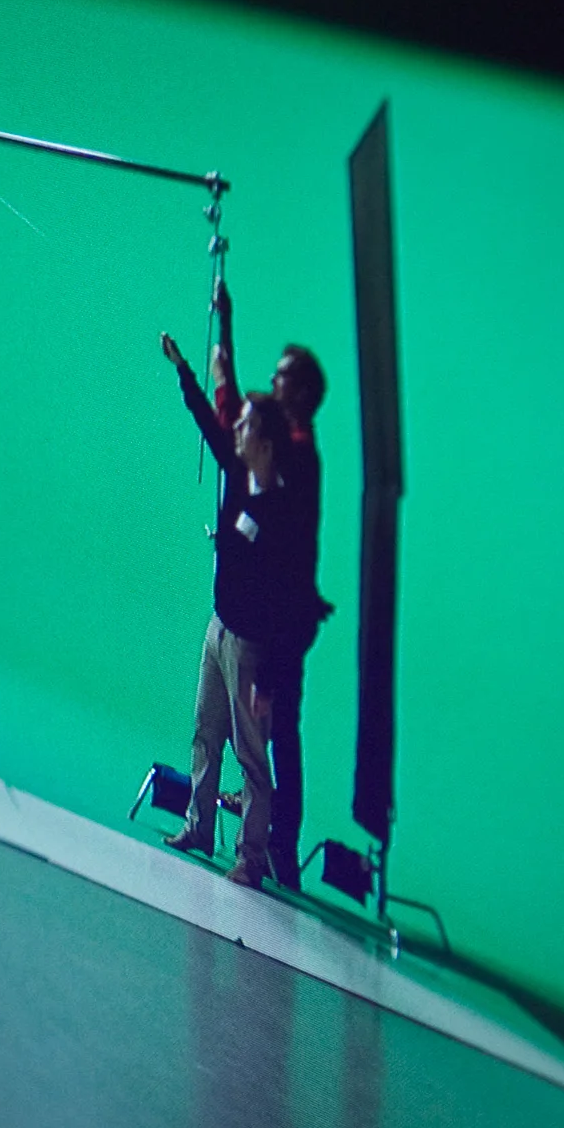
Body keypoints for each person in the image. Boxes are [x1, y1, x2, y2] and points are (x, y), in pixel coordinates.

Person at [161, 329, 310, 888]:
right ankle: (199, 827)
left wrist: (270, 669)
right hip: (218, 628)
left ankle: (252, 855)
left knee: (252, 755)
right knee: (206, 731)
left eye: (247, 425)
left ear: (266, 443)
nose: (238, 430)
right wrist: (188, 373)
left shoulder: (280, 510)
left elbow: (281, 594)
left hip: (250, 646)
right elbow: (210, 420)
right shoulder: (239, 471)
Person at [206, 279, 332, 890]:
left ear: (302, 394)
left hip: (283, 620)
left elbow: (286, 558)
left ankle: (278, 842)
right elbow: (237, 419)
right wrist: (225, 327)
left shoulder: (297, 455)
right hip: (283, 611)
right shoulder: (287, 442)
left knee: (276, 723)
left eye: (283, 379)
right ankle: (273, 829)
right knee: (273, 728)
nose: (275, 384)